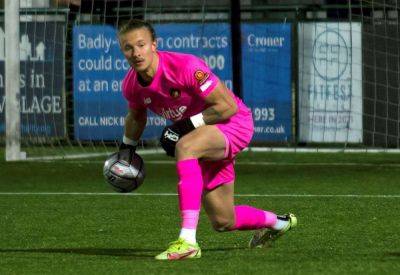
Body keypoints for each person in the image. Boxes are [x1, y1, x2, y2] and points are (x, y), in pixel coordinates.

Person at [118, 19, 297, 261]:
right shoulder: (131, 85)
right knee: (223, 220)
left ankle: (188, 241)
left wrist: (183, 126)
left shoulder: (185, 66)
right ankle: (280, 223)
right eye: (129, 48)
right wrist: (126, 149)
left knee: (185, 147)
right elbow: (137, 116)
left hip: (233, 123)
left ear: (154, 45)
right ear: (123, 51)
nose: (136, 52)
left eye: (141, 44)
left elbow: (227, 107)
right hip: (205, 134)